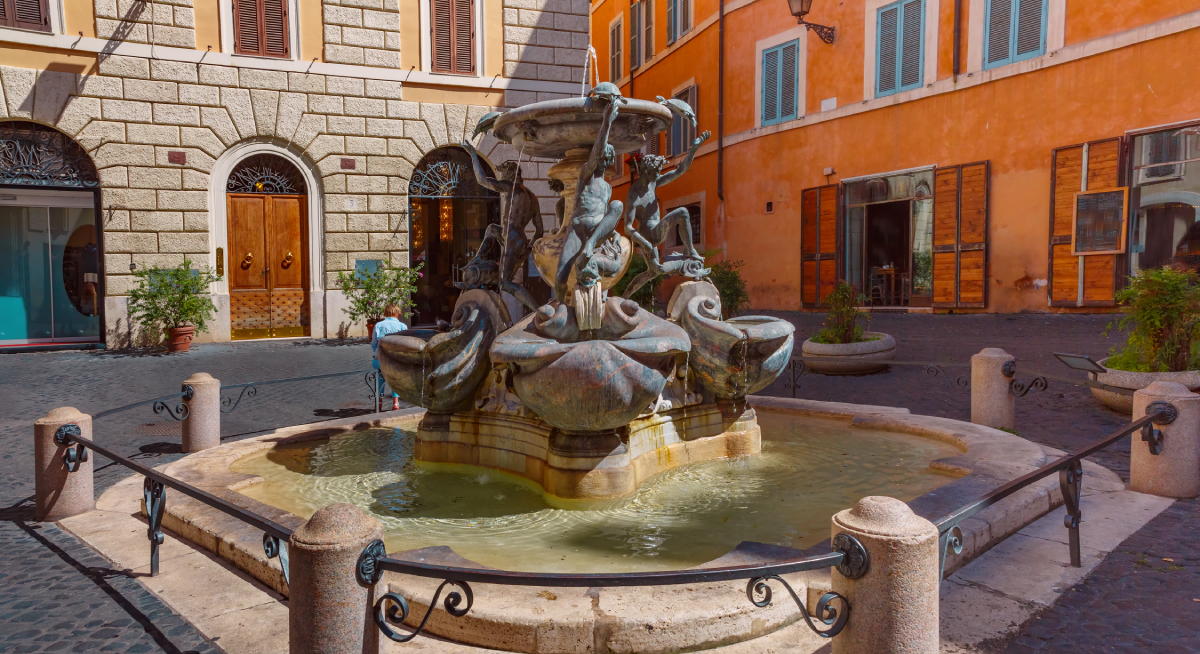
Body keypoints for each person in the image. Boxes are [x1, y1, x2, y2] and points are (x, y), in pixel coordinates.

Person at [371, 303, 408, 411]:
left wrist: (377, 353)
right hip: (395, 360)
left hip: (380, 360)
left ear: (386, 313)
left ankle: (379, 403)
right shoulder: (402, 326)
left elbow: (373, 343)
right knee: (395, 379)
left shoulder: (378, 325)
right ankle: (395, 404)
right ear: (397, 314)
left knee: (380, 377)